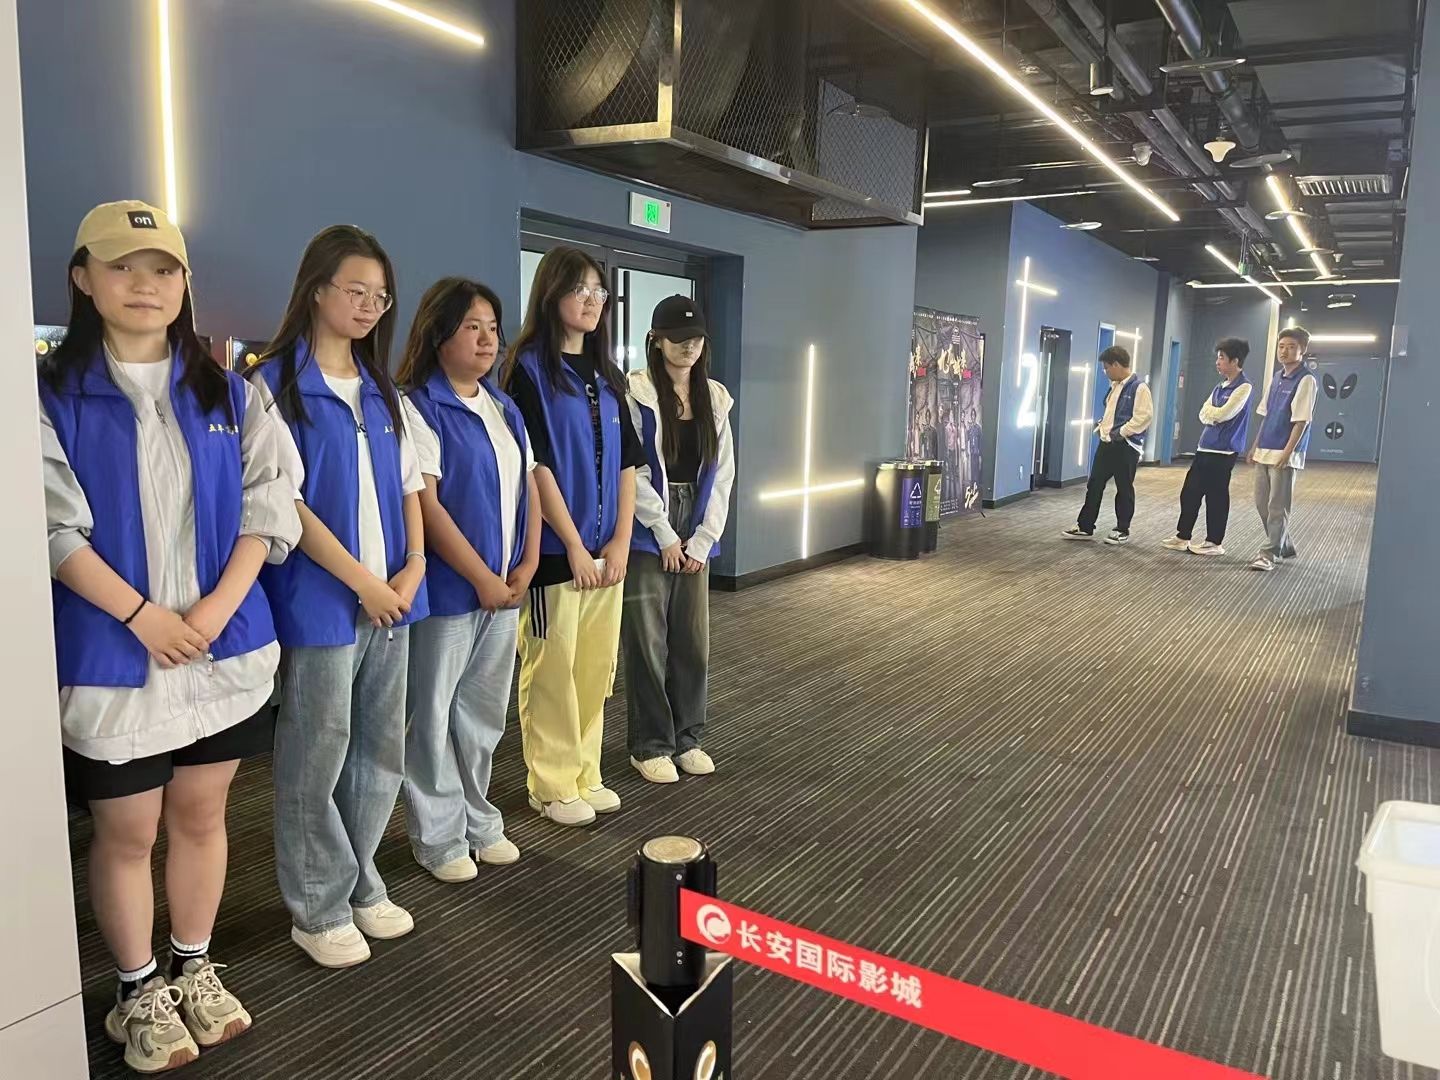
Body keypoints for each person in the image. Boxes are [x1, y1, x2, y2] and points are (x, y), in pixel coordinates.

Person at [40, 201, 299, 1072]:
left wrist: (218, 607)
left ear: (186, 284)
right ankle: (136, 989)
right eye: (121, 266)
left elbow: (270, 504)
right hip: (115, 655)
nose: (144, 284)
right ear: (83, 279)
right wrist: (142, 616)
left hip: (222, 644)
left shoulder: (232, 390)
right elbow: (52, 526)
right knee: (127, 832)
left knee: (202, 814)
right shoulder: (48, 394)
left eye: (162, 269)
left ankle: (192, 964)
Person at [249, 225, 429, 968]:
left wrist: (414, 564)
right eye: (356, 290)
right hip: (323, 599)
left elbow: (412, 486)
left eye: (380, 297)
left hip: (395, 596)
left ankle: (360, 880)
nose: (368, 306)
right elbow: (286, 503)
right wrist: (362, 581)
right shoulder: (274, 385)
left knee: (380, 748)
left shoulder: (383, 389)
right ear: (317, 288)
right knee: (316, 753)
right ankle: (317, 903)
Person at [396, 278, 540, 880]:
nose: (487, 340)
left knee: (482, 713)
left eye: (493, 328)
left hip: (505, 588)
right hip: (452, 592)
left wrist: (527, 564)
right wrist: (481, 577)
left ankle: (480, 818)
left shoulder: (503, 406)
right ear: (438, 335)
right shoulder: (417, 405)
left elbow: (530, 484)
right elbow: (428, 504)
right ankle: (438, 836)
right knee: (431, 714)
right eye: (471, 327)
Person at [500, 246, 644, 826]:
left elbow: (628, 462)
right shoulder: (527, 369)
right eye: (580, 289)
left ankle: (586, 770)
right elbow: (536, 465)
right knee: (551, 668)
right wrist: (576, 546)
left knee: (594, 667)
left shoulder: (608, 375)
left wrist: (620, 540)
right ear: (551, 292)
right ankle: (552, 782)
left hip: (607, 551)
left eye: (598, 291)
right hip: (559, 551)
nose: (592, 301)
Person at [622, 296, 735, 784]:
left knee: (692, 639)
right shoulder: (637, 392)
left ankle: (689, 737)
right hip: (649, 521)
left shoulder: (716, 397)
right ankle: (650, 744)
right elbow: (635, 471)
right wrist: (665, 534)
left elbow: (723, 474)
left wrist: (703, 540)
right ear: (656, 340)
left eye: (696, 339)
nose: (688, 347)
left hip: (697, 519)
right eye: (678, 338)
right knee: (647, 639)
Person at [1161, 338, 1252, 556]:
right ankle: (1183, 536)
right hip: (1205, 448)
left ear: (1235, 361)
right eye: (1218, 358)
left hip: (1224, 451)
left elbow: (1224, 414)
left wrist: (1214, 415)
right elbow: (1203, 413)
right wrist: (1213, 416)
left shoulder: (1244, 387)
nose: (1217, 362)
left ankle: (1214, 542)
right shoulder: (1219, 387)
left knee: (1216, 497)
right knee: (1190, 492)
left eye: (1222, 358)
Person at [1062, 345, 1153, 545]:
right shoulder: (1114, 387)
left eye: (1107, 367)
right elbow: (1112, 414)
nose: (1105, 372)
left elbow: (1144, 417)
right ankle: (1085, 526)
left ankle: (1122, 529)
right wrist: (1103, 427)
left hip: (1126, 446)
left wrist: (1121, 432)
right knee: (1094, 484)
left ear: (1117, 364)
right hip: (1107, 443)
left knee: (1124, 488)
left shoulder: (1139, 388)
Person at [1247, 326, 1317, 572]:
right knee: (1261, 503)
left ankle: (1269, 553)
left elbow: (1301, 421)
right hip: (1265, 449)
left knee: (1278, 506)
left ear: (1303, 350)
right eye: (1281, 346)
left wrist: (1287, 453)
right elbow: (1266, 415)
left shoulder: (1306, 380)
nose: (1284, 351)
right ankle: (1283, 544)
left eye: (1291, 347)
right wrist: (1255, 446)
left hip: (1285, 452)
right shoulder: (1277, 377)